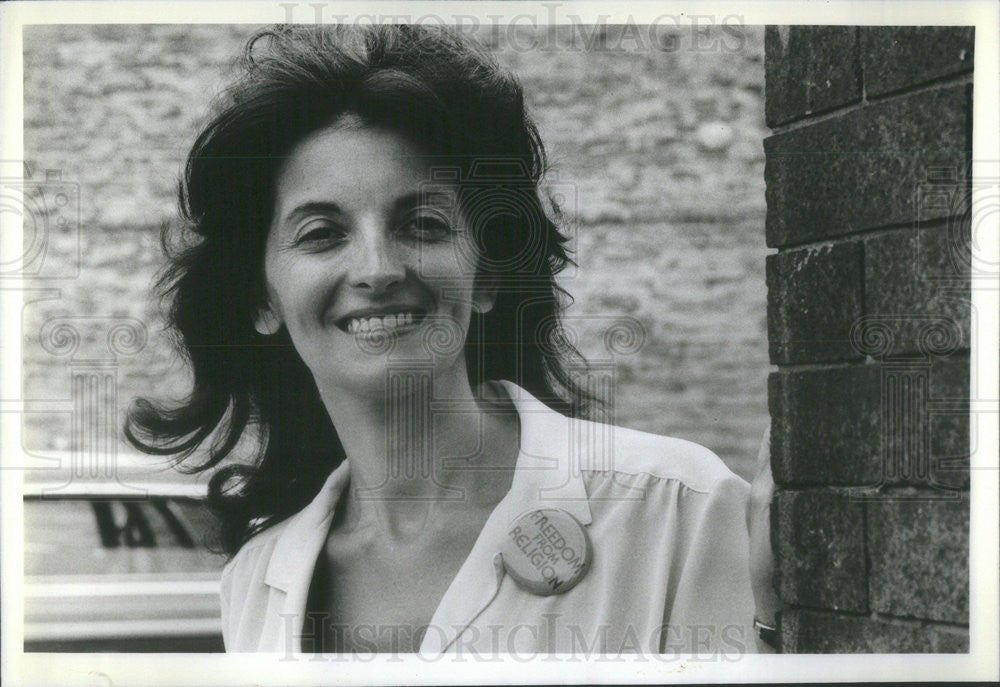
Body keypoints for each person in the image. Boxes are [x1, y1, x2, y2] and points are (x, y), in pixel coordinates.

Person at [126, 24, 778, 656]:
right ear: (260, 297)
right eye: (322, 233)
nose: (378, 268)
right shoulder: (255, 586)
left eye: (423, 223)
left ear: (487, 272)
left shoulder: (673, 513)